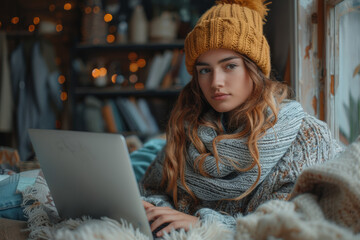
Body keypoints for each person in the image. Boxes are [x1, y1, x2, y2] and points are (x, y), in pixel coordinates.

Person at [140, 0, 342, 238]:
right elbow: (151, 190)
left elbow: (298, 224)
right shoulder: (186, 131)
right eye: (205, 70)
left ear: (254, 69)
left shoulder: (307, 136)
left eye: (230, 66)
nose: (216, 82)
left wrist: (202, 224)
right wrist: (157, 211)